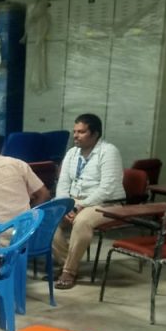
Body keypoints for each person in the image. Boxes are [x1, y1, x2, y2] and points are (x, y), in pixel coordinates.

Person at [52, 113, 124, 290]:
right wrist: (64, 206)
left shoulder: (109, 152)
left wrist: (78, 207)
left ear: (95, 134)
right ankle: (67, 262)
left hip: (107, 202)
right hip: (76, 201)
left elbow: (106, 189)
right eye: (75, 131)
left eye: (81, 132)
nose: (75, 136)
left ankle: (69, 271)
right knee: (48, 217)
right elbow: (63, 183)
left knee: (82, 221)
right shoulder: (72, 153)